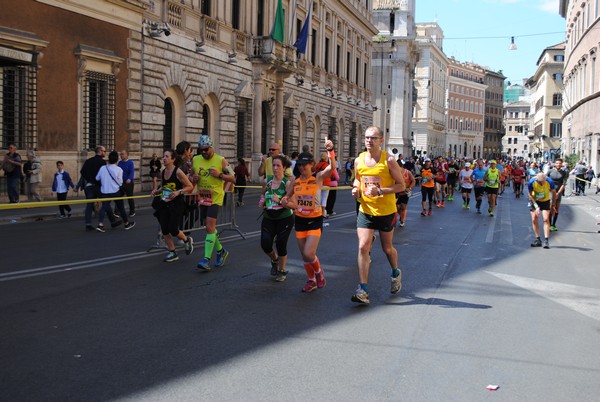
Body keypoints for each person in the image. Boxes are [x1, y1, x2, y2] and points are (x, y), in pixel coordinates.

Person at [350, 126, 406, 305]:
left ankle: (395, 272)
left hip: (386, 211)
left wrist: (380, 190)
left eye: (373, 138)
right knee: (363, 247)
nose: (369, 141)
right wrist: (355, 189)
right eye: (367, 138)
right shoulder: (359, 160)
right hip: (366, 209)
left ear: (381, 140)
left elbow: (401, 185)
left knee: (387, 249)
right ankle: (363, 290)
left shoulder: (388, 160)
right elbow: (358, 179)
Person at [281, 138, 335, 293]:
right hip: (300, 220)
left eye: (304, 164)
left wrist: (330, 151)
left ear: (312, 164)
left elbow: (332, 168)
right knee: (305, 256)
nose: (302, 167)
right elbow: (288, 197)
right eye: (299, 165)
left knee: (309, 253)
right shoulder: (296, 181)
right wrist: (285, 202)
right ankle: (311, 281)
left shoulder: (317, 178)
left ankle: (319, 273)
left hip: (315, 220)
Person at [193, 135, 236, 271]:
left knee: (210, 226)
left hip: (216, 197)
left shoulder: (221, 160)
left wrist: (220, 175)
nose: (204, 152)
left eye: (206, 149)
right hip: (203, 197)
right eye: (201, 150)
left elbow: (234, 178)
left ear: (211, 147)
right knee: (209, 228)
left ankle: (206, 259)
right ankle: (221, 251)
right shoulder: (195, 159)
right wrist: (193, 178)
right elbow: (191, 177)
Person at [152, 149, 195, 262]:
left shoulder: (178, 172)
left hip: (177, 204)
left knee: (173, 229)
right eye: (164, 156)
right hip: (165, 203)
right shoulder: (163, 171)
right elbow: (164, 186)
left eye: (167, 156)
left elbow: (189, 186)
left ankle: (186, 240)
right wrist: (156, 191)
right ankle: (172, 252)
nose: (164, 158)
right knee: (165, 229)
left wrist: (178, 192)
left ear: (173, 159)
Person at [259, 155, 295, 282]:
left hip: (284, 218)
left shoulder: (287, 184)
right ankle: (275, 259)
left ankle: (281, 270)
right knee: (265, 243)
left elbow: (294, 204)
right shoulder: (266, 181)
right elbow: (263, 194)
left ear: (284, 168)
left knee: (281, 244)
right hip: (269, 217)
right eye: (273, 165)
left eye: (278, 166)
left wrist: (280, 201)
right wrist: (262, 201)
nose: (275, 168)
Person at [95, 151, 136, 232]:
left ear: (108, 159)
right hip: (115, 191)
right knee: (121, 207)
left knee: (104, 207)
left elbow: (97, 178)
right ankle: (126, 223)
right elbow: (120, 182)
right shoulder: (119, 169)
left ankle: (100, 224)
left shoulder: (103, 168)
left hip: (105, 191)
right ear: (117, 160)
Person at [81, 146, 117, 231]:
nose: (105, 153)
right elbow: (104, 175)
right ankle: (112, 221)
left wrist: (89, 179)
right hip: (99, 186)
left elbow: (82, 172)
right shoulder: (102, 162)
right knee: (106, 203)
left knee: (89, 205)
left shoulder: (88, 161)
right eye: (104, 151)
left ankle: (88, 224)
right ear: (100, 151)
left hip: (89, 186)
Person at [527, 173, 557, 249]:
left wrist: (553, 205)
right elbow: (530, 194)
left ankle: (546, 240)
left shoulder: (549, 181)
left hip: (545, 201)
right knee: (534, 219)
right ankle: (538, 239)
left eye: (542, 182)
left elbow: (554, 193)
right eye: (539, 183)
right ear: (536, 180)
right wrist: (536, 206)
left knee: (546, 219)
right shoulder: (531, 182)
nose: (541, 184)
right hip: (534, 200)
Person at [546, 158, 569, 232]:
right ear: (554, 164)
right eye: (557, 163)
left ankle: (553, 224)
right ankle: (549, 224)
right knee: (550, 208)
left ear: (562, 164)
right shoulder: (550, 171)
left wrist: (558, 193)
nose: (558, 164)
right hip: (550, 191)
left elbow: (564, 184)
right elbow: (546, 180)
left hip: (558, 192)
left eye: (560, 163)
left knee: (556, 208)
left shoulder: (564, 173)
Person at [395, 160, 415, 227]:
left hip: (405, 193)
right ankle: (400, 215)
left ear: (402, 166)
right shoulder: (394, 173)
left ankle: (402, 220)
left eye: (398, 167)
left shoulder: (407, 172)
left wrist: (409, 188)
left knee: (403, 207)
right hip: (397, 192)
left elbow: (413, 181)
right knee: (396, 207)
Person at [117, 150, 135, 217]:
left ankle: (132, 211)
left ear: (127, 155)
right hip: (121, 183)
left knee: (129, 197)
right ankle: (117, 211)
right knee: (118, 197)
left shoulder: (130, 163)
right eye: (121, 154)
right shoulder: (119, 163)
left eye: (123, 154)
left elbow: (132, 172)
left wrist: (129, 178)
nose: (121, 155)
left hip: (128, 183)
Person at [314, 152, 332, 217]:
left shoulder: (317, 165)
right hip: (326, 183)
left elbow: (315, 172)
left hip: (318, 182)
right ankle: (323, 212)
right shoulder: (327, 165)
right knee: (324, 198)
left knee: (318, 198)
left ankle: (318, 211)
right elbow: (331, 174)